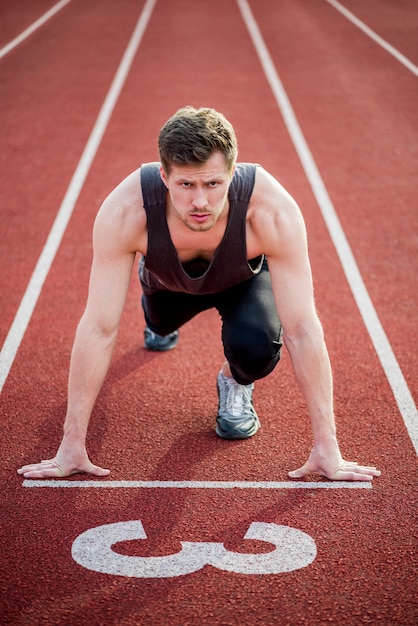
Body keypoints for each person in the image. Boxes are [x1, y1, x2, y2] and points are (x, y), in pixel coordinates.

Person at [18, 106, 380, 482]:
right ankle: (157, 317)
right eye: (186, 185)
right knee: (159, 325)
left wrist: (328, 445)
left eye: (212, 184)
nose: (200, 202)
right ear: (164, 176)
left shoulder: (271, 212)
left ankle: (234, 381)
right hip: (167, 278)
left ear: (232, 173)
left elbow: (303, 329)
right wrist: (71, 443)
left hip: (242, 278)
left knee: (256, 349)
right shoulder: (128, 211)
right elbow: (99, 327)